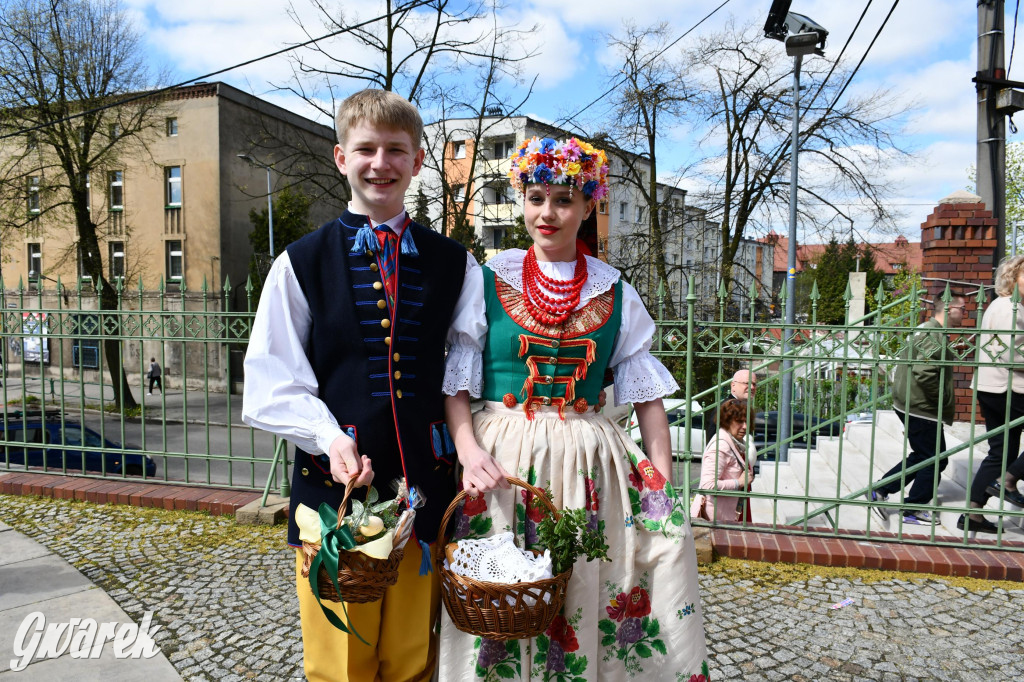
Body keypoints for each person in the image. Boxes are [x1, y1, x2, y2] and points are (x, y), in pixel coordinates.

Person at [439, 136, 709, 679]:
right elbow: (458, 384)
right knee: (498, 589)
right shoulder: (487, 279)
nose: (547, 213)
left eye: (564, 200)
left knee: (585, 584)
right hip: (501, 464)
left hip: (590, 464)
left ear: (588, 207)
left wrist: (661, 485)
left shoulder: (616, 292)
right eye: (536, 198)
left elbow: (647, 399)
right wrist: (467, 451)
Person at [242, 89, 477, 682]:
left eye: (396, 150)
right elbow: (272, 378)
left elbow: (467, 370)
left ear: (417, 161)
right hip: (335, 497)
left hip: (425, 492)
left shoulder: (456, 263)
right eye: (366, 149)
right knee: (338, 663)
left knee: (412, 660)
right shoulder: (300, 262)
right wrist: (327, 437)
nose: (381, 163)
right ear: (341, 157)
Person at [868, 293, 966, 526]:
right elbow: (924, 372)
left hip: (912, 404)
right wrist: (941, 399)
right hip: (921, 407)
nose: (965, 313)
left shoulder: (928, 330)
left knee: (926, 456)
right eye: (962, 308)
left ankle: (882, 490)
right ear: (949, 308)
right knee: (933, 459)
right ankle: (912, 508)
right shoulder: (933, 334)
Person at [963, 256, 1024, 534]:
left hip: (996, 386)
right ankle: (1007, 481)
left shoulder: (1007, 305)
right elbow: (1009, 354)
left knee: (1000, 452)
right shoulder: (1009, 308)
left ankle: (972, 513)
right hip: (1007, 387)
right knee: (1001, 453)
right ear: (1012, 278)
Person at [692, 398, 755, 523]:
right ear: (727, 421)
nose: (745, 426)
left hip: (725, 516)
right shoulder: (721, 446)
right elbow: (707, 485)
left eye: (747, 422)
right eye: (739, 421)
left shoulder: (734, 442)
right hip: (714, 519)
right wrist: (738, 483)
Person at [704, 368, 756, 443]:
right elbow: (714, 440)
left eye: (754, 384)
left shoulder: (744, 407)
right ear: (733, 385)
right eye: (747, 383)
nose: (752, 387)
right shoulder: (725, 408)